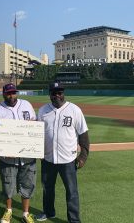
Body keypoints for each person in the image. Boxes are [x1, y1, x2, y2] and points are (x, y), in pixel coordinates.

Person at [36, 82, 90, 223]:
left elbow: (83, 135)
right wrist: (38, 153)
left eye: (59, 93)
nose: (57, 96)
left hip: (68, 160)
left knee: (72, 192)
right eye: (54, 93)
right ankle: (48, 212)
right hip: (48, 158)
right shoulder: (42, 111)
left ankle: (74, 220)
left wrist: (83, 156)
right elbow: (37, 134)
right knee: (47, 189)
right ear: (50, 94)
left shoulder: (74, 110)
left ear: (63, 93)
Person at [0, 83, 37, 223]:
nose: (12, 96)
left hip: (27, 155)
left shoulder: (26, 104)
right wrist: (4, 150)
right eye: (9, 93)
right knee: (8, 184)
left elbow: (34, 126)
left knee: (28, 184)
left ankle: (25, 213)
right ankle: (8, 211)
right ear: (4, 94)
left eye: (13, 93)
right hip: (7, 157)